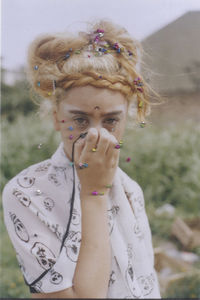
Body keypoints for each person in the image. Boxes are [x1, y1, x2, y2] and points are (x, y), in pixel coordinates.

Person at [2, 20, 161, 298]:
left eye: (110, 120)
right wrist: (94, 193)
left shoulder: (130, 189)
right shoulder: (26, 193)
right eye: (79, 119)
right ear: (56, 118)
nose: (96, 134)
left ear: (127, 120)